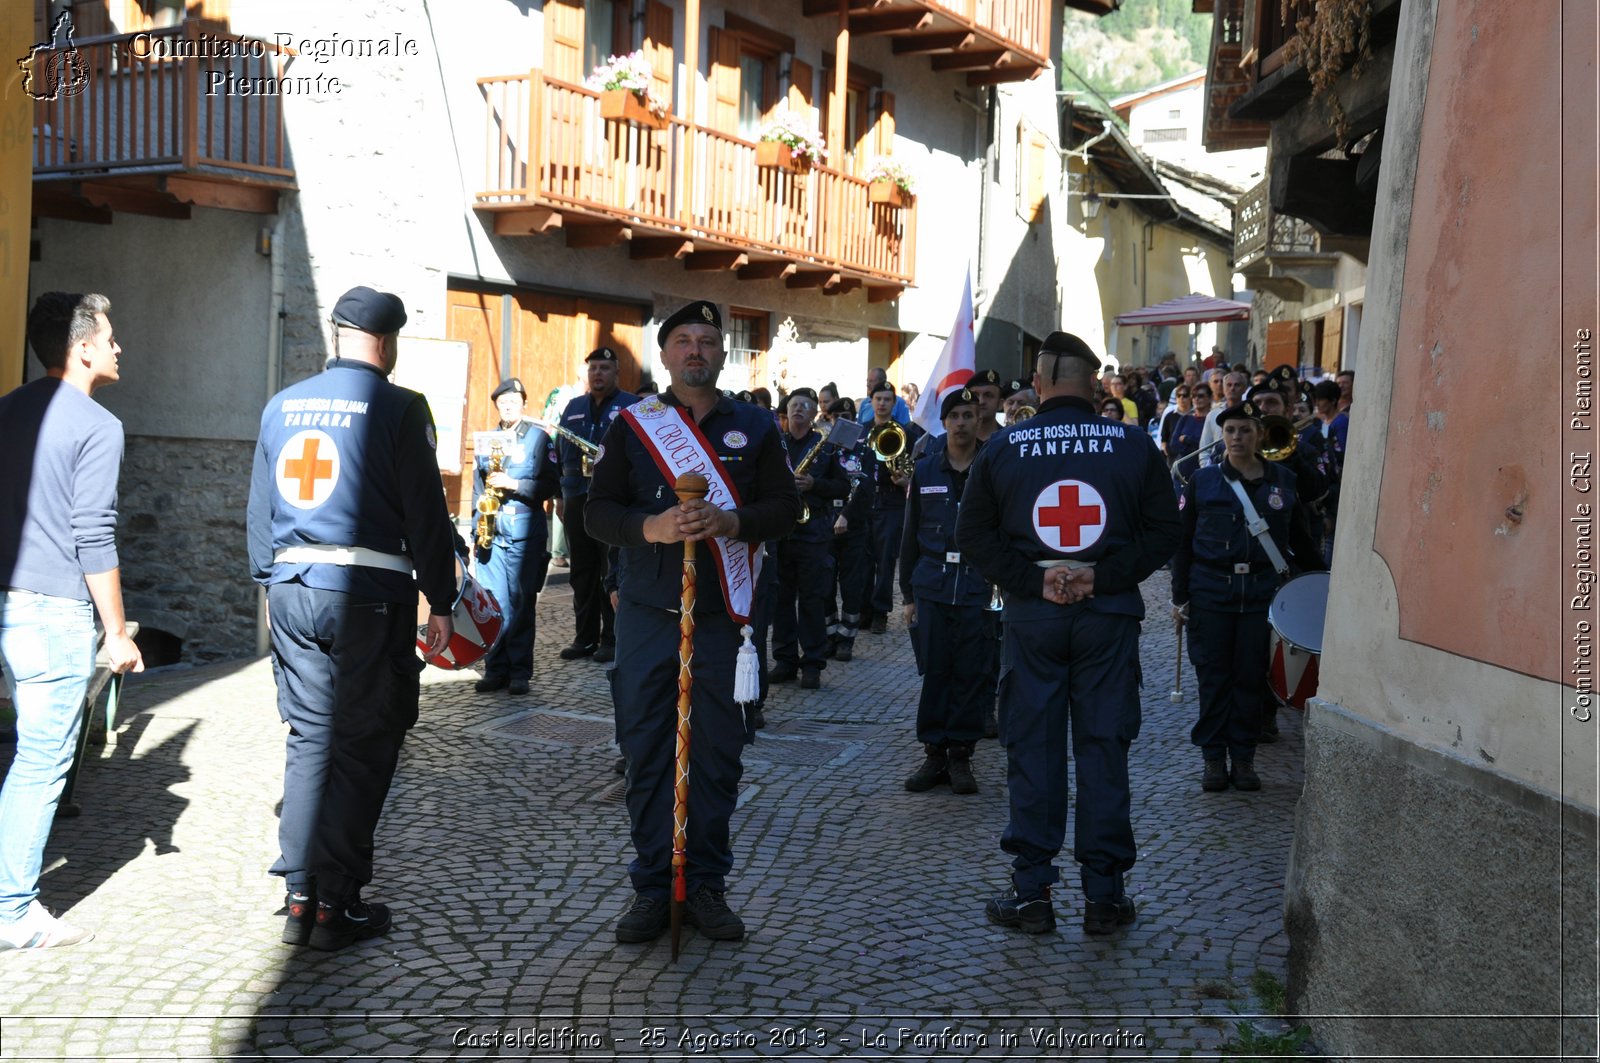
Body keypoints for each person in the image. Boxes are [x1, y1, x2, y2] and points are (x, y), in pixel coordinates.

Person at [247, 285, 459, 951]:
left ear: (336, 334)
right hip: (367, 593)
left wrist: (273, 581)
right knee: (364, 741)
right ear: (388, 342)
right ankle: (338, 904)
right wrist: (443, 599)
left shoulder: (282, 405)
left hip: (291, 586)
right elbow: (427, 512)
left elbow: (257, 516)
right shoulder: (398, 406)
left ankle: (299, 894)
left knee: (309, 738)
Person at [586, 299, 801, 945]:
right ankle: (654, 887)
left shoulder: (756, 426)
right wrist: (649, 526)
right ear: (665, 353)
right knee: (647, 750)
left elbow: (785, 508)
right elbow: (598, 511)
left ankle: (705, 884)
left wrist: (732, 522)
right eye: (684, 339)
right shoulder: (633, 425)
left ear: (722, 353)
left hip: (721, 620)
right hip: (651, 615)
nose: (697, 350)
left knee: (715, 755)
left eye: (709, 340)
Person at [956, 331, 1179, 937]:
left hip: (1034, 619)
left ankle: (1032, 894)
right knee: (1104, 748)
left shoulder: (1004, 446)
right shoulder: (1133, 444)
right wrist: (1100, 576)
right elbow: (1165, 532)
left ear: (1042, 378)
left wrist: (1036, 579)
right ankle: (1105, 898)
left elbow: (973, 537)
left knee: (1034, 750)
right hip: (1108, 617)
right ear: (1092, 381)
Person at [0, 292, 143, 951]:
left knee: (30, 754)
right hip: (54, 611)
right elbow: (94, 534)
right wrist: (116, 630)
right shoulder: (96, 425)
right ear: (81, 347)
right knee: (40, 761)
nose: (117, 347)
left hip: (8, 605)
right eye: (109, 337)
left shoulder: (8, 410)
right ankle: (12, 910)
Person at [1170, 401, 1323, 792]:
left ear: (1259, 434)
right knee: (1213, 678)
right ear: (1222, 435)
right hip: (1210, 592)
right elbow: (1183, 544)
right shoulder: (1202, 481)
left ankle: (1243, 759)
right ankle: (1212, 759)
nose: (1237, 437)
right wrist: (1179, 598)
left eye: (1245, 430)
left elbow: (1301, 539)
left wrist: (1323, 584)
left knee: (1251, 680)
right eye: (1231, 430)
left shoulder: (1283, 481)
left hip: (1260, 594)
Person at [899, 388, 991, 795]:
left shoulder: (991, 468)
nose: (960, 423)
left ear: (977, 419)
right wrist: (907, 596)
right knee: (935, 669)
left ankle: (961, 756)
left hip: (977, 587)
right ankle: (934, 752)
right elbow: (910, 534)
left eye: (968, 415)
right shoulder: (925, 470)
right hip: (932, 585)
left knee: (971, 672)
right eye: (954, 415)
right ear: (944, 421)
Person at [471, 378, 560, 695]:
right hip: (491, 534)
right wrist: (474, 529)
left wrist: (514, 485)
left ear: (524, 403)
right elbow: (478, 487)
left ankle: (520, 671)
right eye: (502, 401)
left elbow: (551, 485)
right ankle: (495, 669)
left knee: (520, 604)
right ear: (496, 405)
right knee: (492, 604)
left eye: (513, 400)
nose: (508, 406)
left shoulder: (538, 439)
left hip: (524, 534)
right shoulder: (487, 440)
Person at [554, 347, 638, 664]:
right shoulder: (574, 407)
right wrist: (560, 496)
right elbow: (560, 453)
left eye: (605, 367)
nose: (598, 373)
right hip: (577, 496)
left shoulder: (631, 405)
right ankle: (584, 637)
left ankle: (611, 638)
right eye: (593, 368)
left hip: (614, 500)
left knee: (610, 570)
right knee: (582, 571)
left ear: (617, 372)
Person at [769, 390, 847, 690]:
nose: (799, 410)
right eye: (794, 406)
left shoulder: (825, 447)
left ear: (815, 413)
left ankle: (812, 663)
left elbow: (842, 486)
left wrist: (815, 484)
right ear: (786, 413)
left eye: (806, 406)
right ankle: (785, 660)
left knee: (813, 600)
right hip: (781, 532)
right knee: (782, 600)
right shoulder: (777, 446)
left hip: (813, 533)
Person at [863, 382, 923, 634]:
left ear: (894, 403)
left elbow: (913, 469)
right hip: (864, 501)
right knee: (863, 560)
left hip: (892, 502)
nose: (882, 403)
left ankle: (880, 612)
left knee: (886, 560)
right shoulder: (861, 431)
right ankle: (863, 609)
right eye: (878, 398)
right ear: (871, 401)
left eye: (887, 399)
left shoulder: (906, 433)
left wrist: (905, 481)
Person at [824, 398, 872, 661]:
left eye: (846, 415)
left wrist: (846, 515)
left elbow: (866, 491)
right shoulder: (825, 450)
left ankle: (847, 638)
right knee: (825, 584)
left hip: (853, 525)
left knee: (852, 584)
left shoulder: (865, 452)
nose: (841, 421)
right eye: (835, 417)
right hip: (825, 523)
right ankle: (830, 633)